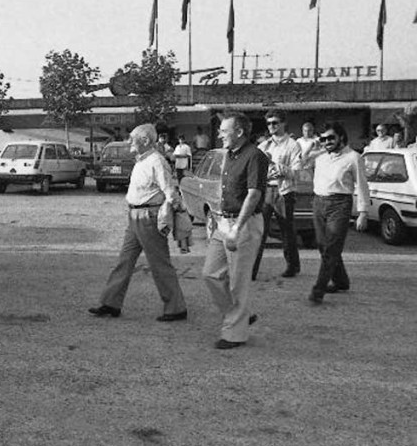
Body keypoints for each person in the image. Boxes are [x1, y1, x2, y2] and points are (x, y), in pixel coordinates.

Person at [88, 124, 187, 322]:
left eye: (133, 138)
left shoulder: (156, 162)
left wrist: (170, 213)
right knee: (124, 261)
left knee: (159, 264)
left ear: (145, 141)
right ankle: (110, 303)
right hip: (134, 217)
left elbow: (170, 192)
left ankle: (176, 308)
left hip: (148, 217)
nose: (129, 142)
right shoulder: (142, 161)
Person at [202, 112, 268, 350]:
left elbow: (254, 194)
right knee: (210, 274)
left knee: (238, 282)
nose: (220, 135)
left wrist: (237, 228)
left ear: (239, 132)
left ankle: (234, 335)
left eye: (223, 131)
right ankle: (240, 315)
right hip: (224, 222)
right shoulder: (229, 155)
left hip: (244, 223)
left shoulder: (255, 156)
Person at [308, 122, 369, 304]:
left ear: (341, 137)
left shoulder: (353, 158)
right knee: (322, 245)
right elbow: (301, 162)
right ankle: (341, 281)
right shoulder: (320, 158)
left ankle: (318, 290)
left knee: (331, 248)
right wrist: (312, 146)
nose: (326, 141)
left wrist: (363, 212)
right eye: (323, 138)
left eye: (330, 138)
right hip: (319, 203)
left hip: (340, 204)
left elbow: (363, 185)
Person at [252, 110, 303, 281]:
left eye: (275, 123)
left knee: (287, 231)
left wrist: (277, 166)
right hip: (266, 190)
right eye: (269, 123)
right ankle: (252, 269)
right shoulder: (264, 145)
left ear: (283, 124)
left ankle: (292, 265)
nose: (272, 127)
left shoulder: (293, 145)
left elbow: (297, 172)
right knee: (259, 230)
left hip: (284, 192)